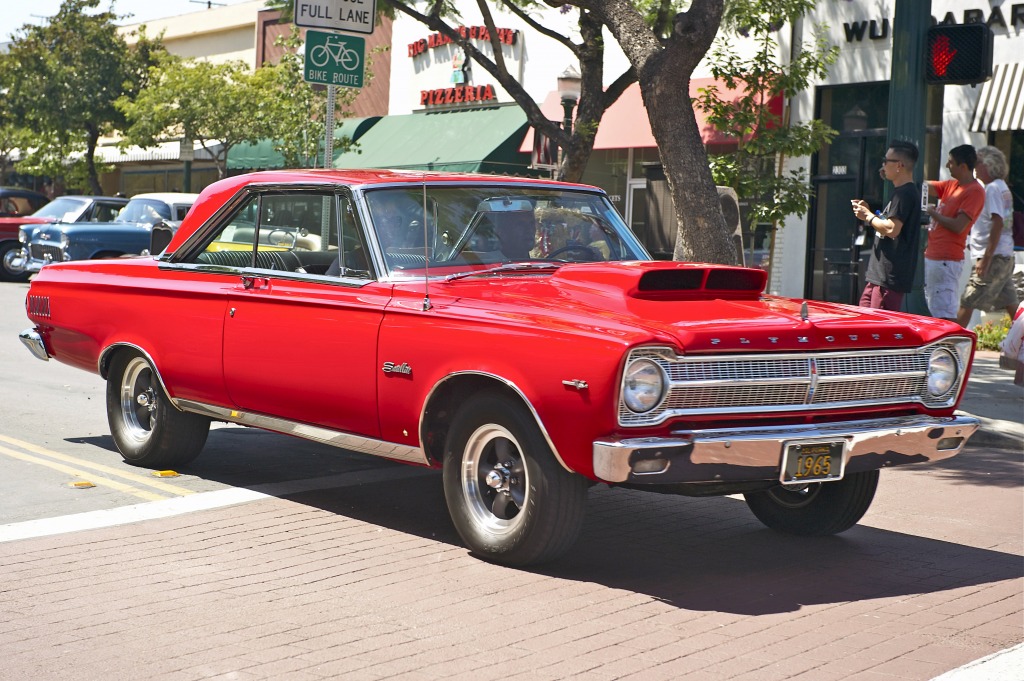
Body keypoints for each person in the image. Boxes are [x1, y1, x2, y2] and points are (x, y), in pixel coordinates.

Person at [851, 140, 921, 311]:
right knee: (865, 323)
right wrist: (870, 213)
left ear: (899, 165)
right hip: (878, 276)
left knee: (879, 330)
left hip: (889, 278)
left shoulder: (906, 193)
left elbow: (891, 229)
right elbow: (888, 224)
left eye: (886, 161)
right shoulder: (899, 192)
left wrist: (867, 216)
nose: (882, 165)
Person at [956, 146, 1019, 327]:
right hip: (1005, 255)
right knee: (1012, 304)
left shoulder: (992, 189)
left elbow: (997, 223)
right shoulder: (1002, 187)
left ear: (989, 165)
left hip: (993, 258)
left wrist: (985, 258)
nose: (975, 167)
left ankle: (950, 345)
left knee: (968, 300)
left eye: (979, 163)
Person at [922, 144, 986, 322]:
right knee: (933, 310)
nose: (947, 166)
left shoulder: (974, 191)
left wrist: (933, 213)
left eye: (950, 163)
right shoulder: (951, 185)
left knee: (944, 313)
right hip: (935, 258)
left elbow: (959, 226)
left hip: (946, 260)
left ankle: (950, 348)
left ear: (963, 166)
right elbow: (925, 187)